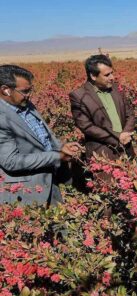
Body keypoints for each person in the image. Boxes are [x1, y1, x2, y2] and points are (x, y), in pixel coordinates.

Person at [0, 65, 83, 206]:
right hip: (26, 192)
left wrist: (61, 146)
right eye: (25, 91)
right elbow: (11, 161)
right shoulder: (2, 118)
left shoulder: (26, 104)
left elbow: (43, 134)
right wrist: (58, 156)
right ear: (5, 90)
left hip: (49, 181)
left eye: (30, 90)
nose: (29, 95)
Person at [70, 54, 135, 160]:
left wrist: (126, 133)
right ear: (93, 76)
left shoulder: (116, 89)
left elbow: (130, 114)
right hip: (102, 154)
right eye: (107, 75)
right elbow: (87, 126)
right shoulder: (79, 96)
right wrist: (118, 138)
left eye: (112, 73)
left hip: (127, 149)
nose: (112, 77)